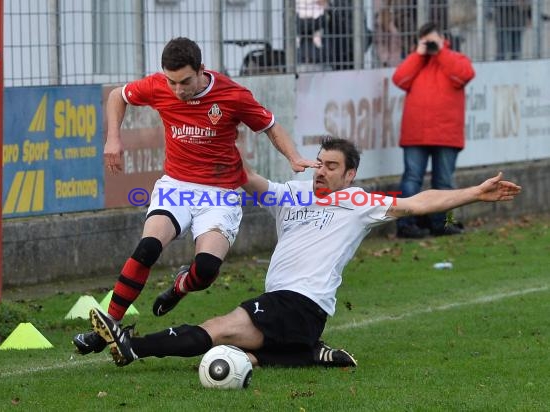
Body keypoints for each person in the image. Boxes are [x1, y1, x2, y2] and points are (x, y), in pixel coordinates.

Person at [88, 137, 521, 368]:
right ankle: (305, 353)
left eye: (332, 166)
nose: (321, 171)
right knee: (240, 354)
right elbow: (248, 178)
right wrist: (218, 147)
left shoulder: (359, 203)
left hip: (299, 301)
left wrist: (474, 194)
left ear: (351, 174)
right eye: (318, 163)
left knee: (218, 328)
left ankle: (133, 347)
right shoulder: (293, 194)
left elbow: (419, 202)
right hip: (293, 312)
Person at [72, 37, 317, 355]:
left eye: (185, 81)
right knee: (148, 247)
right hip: (177, 186)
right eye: (172, 82)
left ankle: (180, 286)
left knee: (205, 270)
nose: (178, 90)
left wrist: (294, 157)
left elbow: (270, 125)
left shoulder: (232, 94)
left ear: (201, 70)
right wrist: (113, 139)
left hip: (221, 193)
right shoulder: (159, 86)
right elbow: (118, 96)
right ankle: (107, 328)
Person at [392, 22, 475, 238]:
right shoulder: (416, 61)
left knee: (444, 183)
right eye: (425, 40)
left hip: (446, 134)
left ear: (442, 38)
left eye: (432, 39)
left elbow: (464, 75)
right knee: (411, 179)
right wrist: (419, 54)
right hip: (416, 133)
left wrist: (440, 52)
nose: (429, 44)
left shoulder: (455, 58)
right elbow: (399, 79)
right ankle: (405, 225)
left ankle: (444, 224)